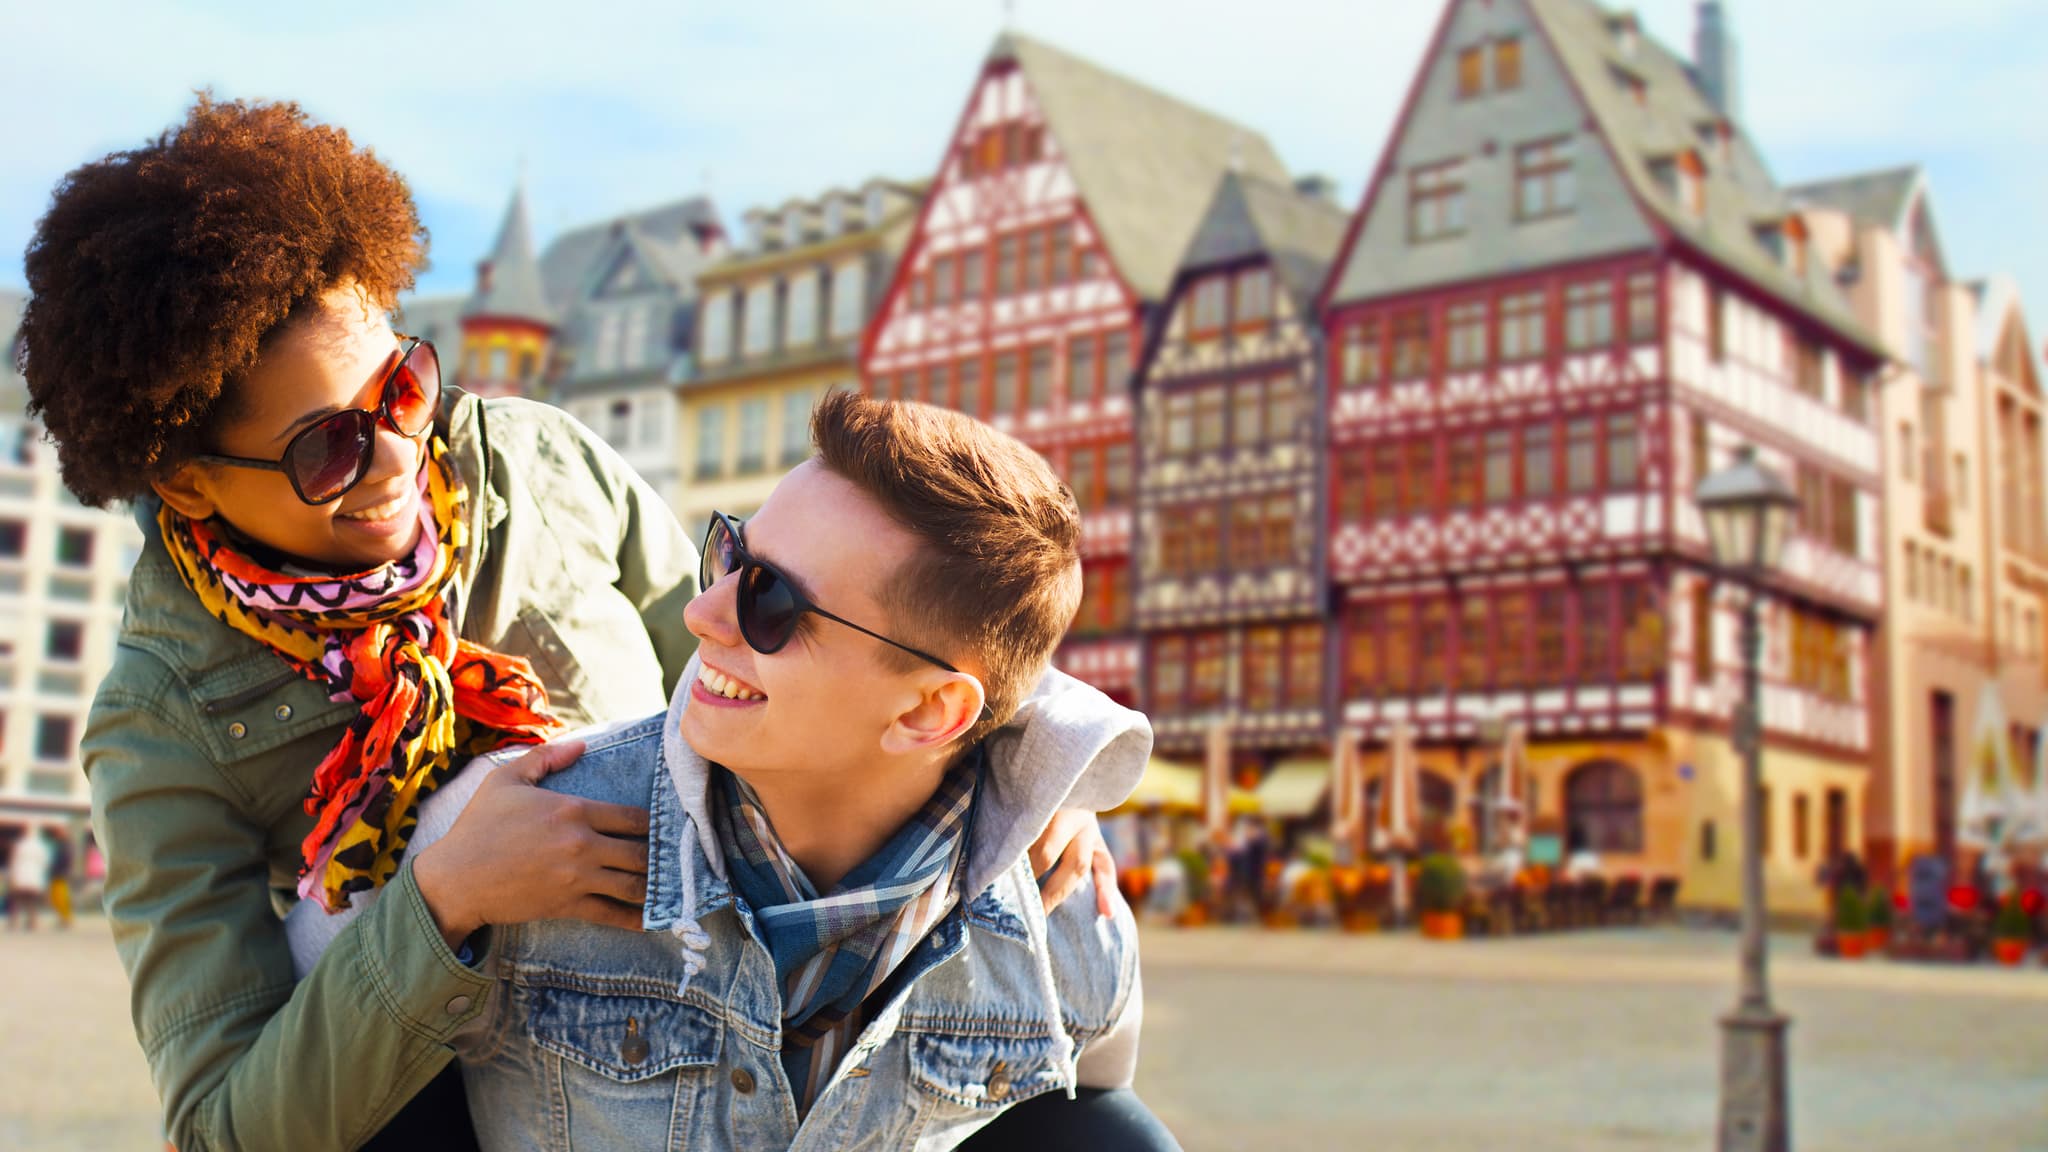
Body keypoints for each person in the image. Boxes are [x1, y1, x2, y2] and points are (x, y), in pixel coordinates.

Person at [26, 96, 1119, 1152]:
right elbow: (225, 1125)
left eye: (403, 388)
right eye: (329, 449)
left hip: (707, 1026)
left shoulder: (544, 468)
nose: (401, 460)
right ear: (187, 482)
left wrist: (1006, 769)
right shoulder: (163, 723)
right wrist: (444, 899)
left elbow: (777, 651)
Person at [291, 393, 1177, 1150]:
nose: (703, 611)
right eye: (729, 554)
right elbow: (295, 1084)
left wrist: (1049, 780)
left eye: (772, 601)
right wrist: (443, 903)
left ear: (927, 713)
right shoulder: (509, 835)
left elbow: (1092, 1117)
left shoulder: (1068, 928)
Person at [7, 824, 50, 931]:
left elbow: (14, 861)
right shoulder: (40, 846)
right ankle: (32, 922)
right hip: (34, 878)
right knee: (32, 902)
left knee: (17, 901)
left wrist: (12, 876)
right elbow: (45, 863)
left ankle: (14, 922)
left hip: (21, 876)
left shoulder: (19, 845)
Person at [46, 827, 75, 929]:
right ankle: (63, 918)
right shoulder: (61, 845)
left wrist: (54, 867)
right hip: (57, 874)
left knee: (60, 897)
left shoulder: (65, 846)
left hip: (60, 874)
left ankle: (66, 918)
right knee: (55, 898)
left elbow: (65, 860)